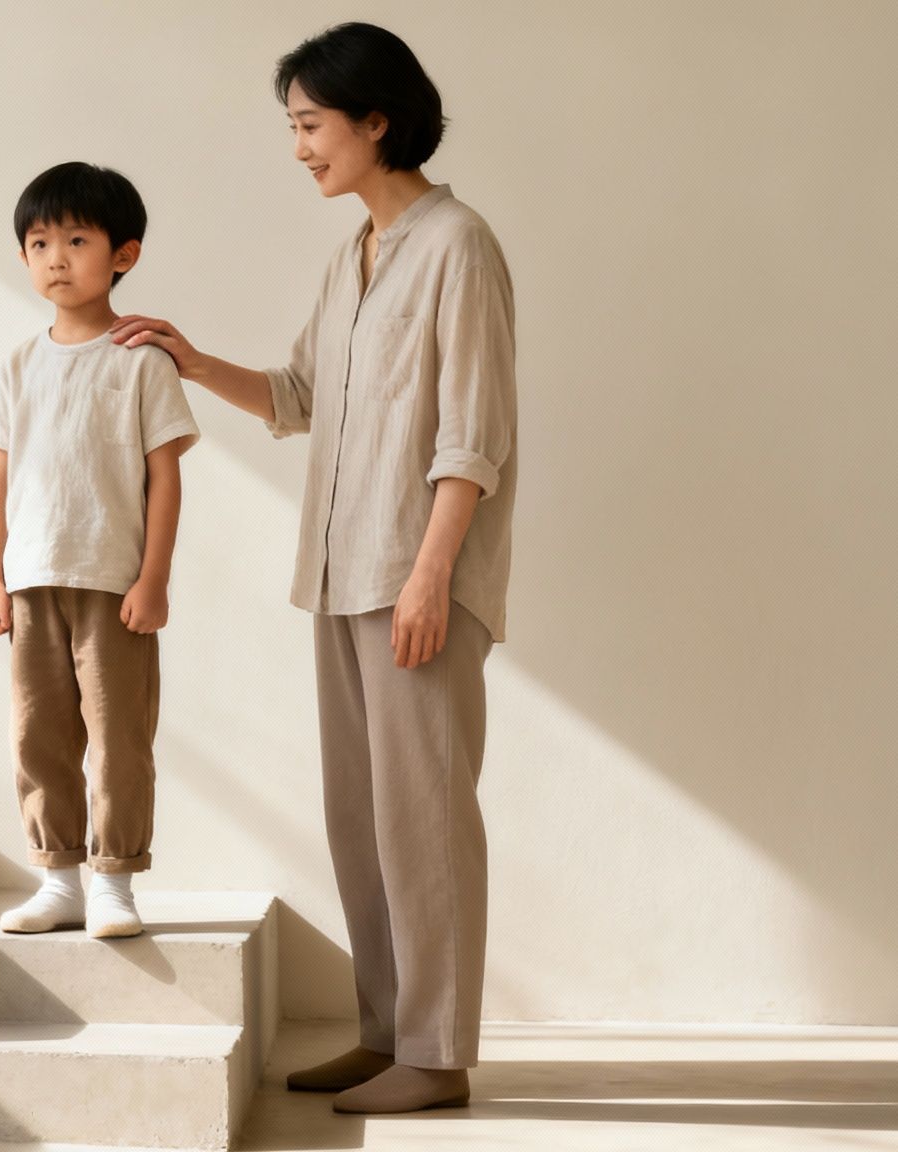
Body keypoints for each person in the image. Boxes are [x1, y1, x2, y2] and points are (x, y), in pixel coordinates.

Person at [109, 22, 517, 1114]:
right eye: (290, 127)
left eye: (308, 125)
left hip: (414, 578)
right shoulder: (352, 257)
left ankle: (434, 1055)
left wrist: (432, 574)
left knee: (424, 816)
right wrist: (190, 361)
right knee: (360, 815)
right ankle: (387, 1032)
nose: (297, 148)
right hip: (339, 575)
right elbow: (295, 397)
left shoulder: (456, 245)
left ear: (375, 118)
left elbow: (473, 433)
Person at [0, 161, 201, 940]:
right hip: (32, 583)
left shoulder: (140, 359)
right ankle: (59, 878)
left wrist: (154, 579)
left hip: (112, 583)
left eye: (76, 239)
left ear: (123, 255)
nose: (56, 257)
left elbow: (164, 480)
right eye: (39, 243)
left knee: (119, 740)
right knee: (38, 736)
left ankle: (115, 885)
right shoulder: (17, 365)